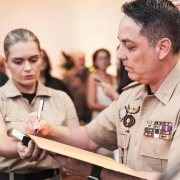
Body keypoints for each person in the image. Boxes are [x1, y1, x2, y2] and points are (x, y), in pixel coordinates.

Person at [19, 0, 180, 180]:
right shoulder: (132, 95)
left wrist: (95, 171)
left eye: (130, 46)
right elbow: (89, 135)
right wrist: (48, 131)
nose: (119, 55)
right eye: (120, 44)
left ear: (162, 48)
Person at [0, 28, 79, 180]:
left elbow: (77, 142)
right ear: (7, 63)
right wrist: (20, 147)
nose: (28, 68)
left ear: (42, 58)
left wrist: (51, 134)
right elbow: (1, 141)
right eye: (18, 62)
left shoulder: (62, 98)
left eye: (33, 59)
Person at [87, 48, 117, 119]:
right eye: (101, 58)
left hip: (114, 117)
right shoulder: (93, 77)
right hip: (100, 117)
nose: (104, 61)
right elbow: (91, 104)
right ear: (95, 61)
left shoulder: (113, 77)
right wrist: (112, 108)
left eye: (106, 58)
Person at [63, 52, 92, 124]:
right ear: (74, 61)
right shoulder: (68, 76)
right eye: (79, 59)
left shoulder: (89, 75)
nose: (81, 62)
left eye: (83, 60)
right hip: (74, 112)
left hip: (88, 114)